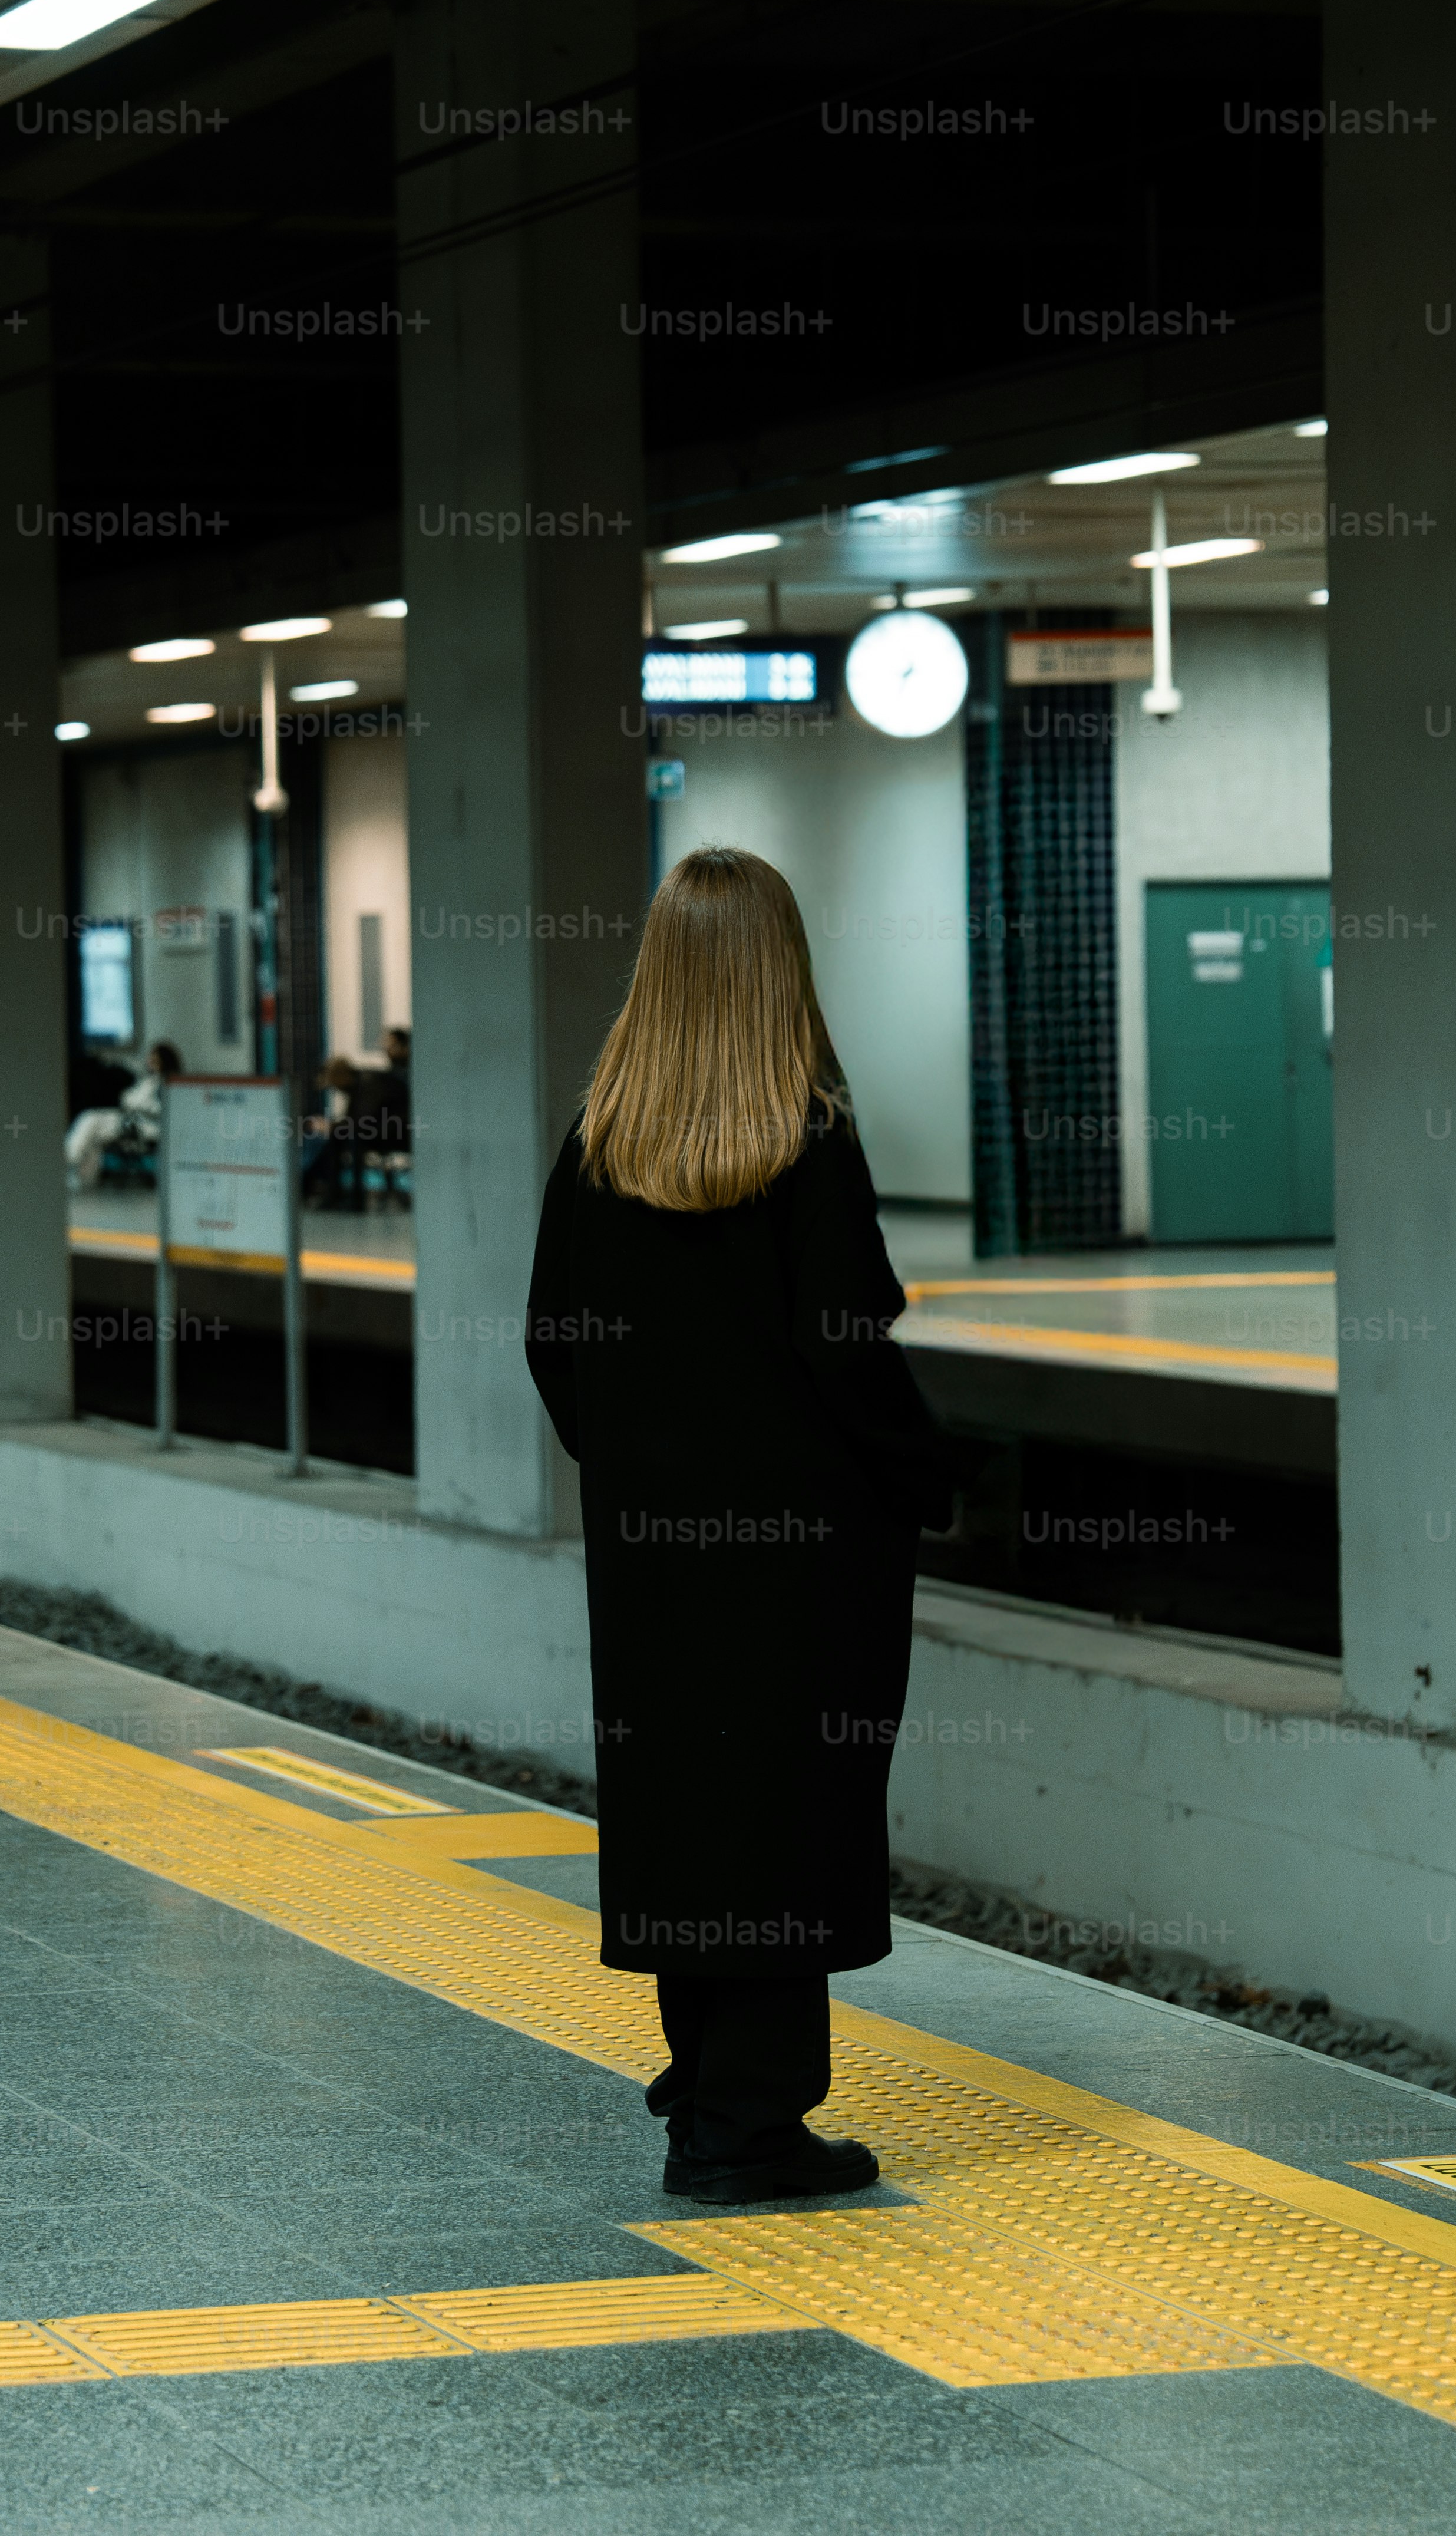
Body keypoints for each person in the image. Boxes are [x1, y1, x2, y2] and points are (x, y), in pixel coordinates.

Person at [524, 848, 952, 2203]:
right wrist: (920, 1481)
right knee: (786, 1813)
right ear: (780, 973)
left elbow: (550, 1347)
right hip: (801, 1561)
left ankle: (701, 2088)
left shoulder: (596, 1146)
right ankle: (748, 2131)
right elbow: (848, 1348)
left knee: (685, 1810)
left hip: (651, 1561)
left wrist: (643, 1471)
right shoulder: (803, 1142)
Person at [67, 1038, 180, 1190]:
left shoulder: (166, 1085)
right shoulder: (150, 1081)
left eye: (154, 1059)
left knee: (91, 1121)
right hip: (131, 1119)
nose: (150, 1062)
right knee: (90, 1122)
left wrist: (134, 1104)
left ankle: (68, 1160)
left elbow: (156, 1109)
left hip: (141, 1125)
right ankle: (79, 1172)